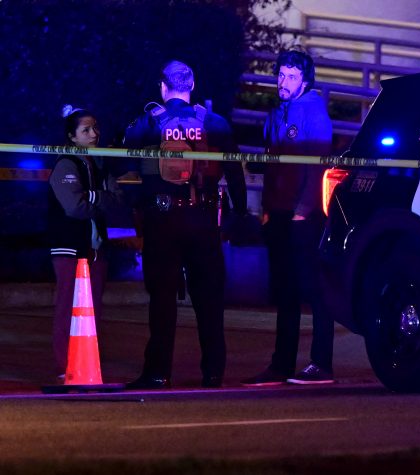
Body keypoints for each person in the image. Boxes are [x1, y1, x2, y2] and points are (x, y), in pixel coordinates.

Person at [123, 60, 247, 389]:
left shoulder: (149, 122)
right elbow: (235, 171)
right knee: (209, 299)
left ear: (163, 87)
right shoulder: (215, 122)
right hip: (204, 219)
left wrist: (133, 204)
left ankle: (157, 373)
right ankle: (213, 373)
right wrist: (239, 213)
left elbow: (122, 159)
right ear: (191, 86)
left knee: (162, 299)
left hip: (163, 220)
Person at [242, 49, 335, 386]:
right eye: (281, 74)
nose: (283, 81)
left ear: (304, 80)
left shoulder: (314, 113)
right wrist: (267, 208)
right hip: (278, 214)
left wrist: (304, 210)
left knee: (313, 290)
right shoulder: (276, 113)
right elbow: (271, 167)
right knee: (285, 292)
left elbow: (317, 167)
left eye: (291, 76)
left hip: (302, 218)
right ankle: (281, 365)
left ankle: (322, 364)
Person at [48, 105, 123, 381]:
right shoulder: (66, 164)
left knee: (93, 312)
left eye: (95, 128)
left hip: (96, 250)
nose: (94, 134)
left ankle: (87, 361)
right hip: (70, 249)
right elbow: (74, 207)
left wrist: (94, 197)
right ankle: (64, 364)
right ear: (72, 136)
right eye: (86, 130)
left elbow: (117, 200)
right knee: (69, 308)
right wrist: (99, 198)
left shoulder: (100, 164)